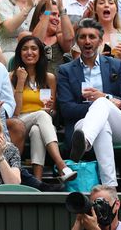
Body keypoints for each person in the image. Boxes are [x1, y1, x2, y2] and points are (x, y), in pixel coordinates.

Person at [59, 19, 121, 187]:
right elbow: (66, 109)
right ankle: (110, 187)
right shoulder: (65, 70)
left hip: (119, 125)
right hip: (82, 124)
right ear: (77, 42)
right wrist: (98, 109)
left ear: (100, 41)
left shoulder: (116, 66)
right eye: (83, 37)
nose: (87, 41)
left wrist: (105, 98)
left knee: (101, 103)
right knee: (101, 127)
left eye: (92, 37)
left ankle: (84, 141)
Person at [8, 35, 75, 181]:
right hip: (19, 122)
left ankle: (37, 181)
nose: (29, 52)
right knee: (41, 116)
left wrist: (51, 109)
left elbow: (54, 112)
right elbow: (15, 112)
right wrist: (20, 82)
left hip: (41, 122)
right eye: (25, 49)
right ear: (19, 53)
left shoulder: (49, 78)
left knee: (37, 129)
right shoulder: (11, 76)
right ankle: (62, 165)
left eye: (33, 48)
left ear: (40, 53)